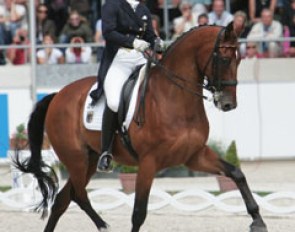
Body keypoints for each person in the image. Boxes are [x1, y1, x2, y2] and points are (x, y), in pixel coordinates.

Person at [89, 0, 160, 172]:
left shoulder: (143, 9)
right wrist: (132, 42)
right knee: (113, 102)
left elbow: (149, 34)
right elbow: (109, 32)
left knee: (160, 89)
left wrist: (158, 41)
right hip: (119, 60)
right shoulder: (112, 5)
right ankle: (105, 151)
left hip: (141, 59)